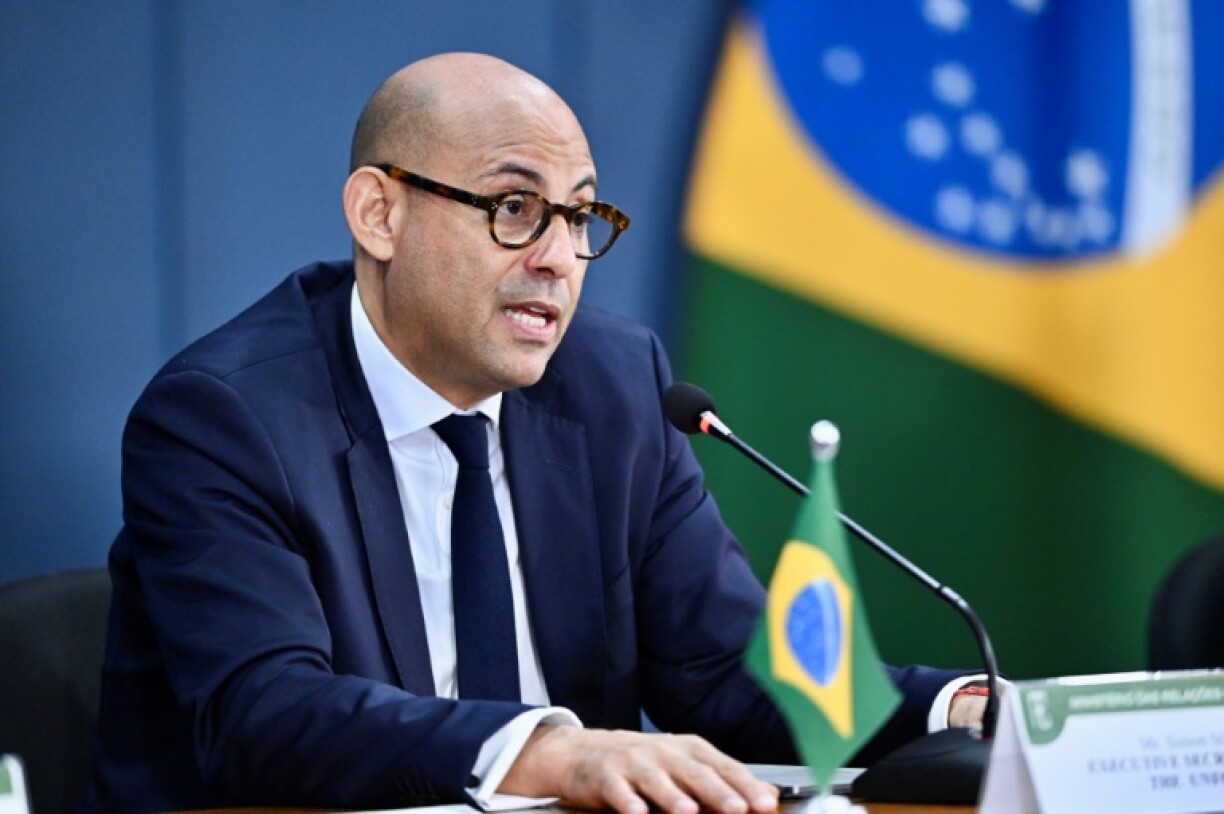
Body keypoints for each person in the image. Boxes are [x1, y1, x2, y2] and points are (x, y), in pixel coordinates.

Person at [86, 53, 986, 814]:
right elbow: (269, 718)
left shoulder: (614, 386)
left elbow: (724, 670)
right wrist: (549, 752)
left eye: (579, 216)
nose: (558, 259)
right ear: (379, 214)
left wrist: (960, 709)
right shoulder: (224, 418)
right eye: (514, 208)